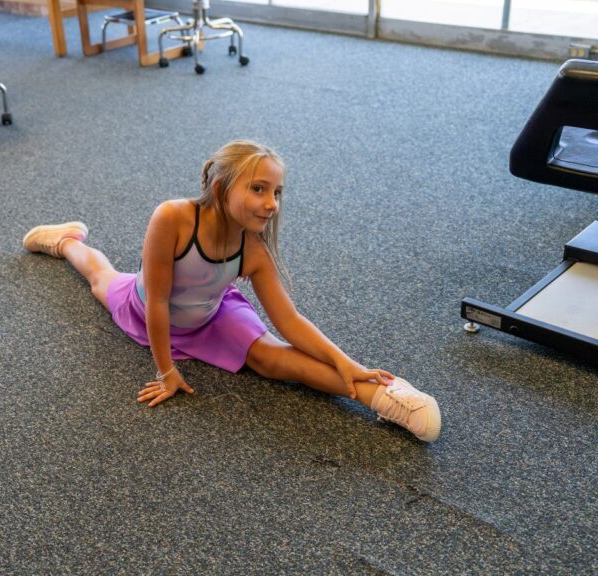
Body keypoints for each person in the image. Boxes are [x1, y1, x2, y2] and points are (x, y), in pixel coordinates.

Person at [23, 140, 441, 442]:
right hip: (148, 305)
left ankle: (385, 396)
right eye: (258, 188)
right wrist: (166, 372)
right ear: (222, 187)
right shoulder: (173, 217)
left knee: (272, 359)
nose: (271, 202)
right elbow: (157, 300)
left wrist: (346, 362)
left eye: (276, 192)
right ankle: (66, 241)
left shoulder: (252, 250)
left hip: (214, 314)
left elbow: (290, 320)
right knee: (100, 278)